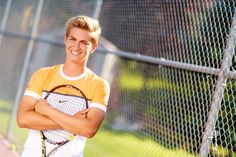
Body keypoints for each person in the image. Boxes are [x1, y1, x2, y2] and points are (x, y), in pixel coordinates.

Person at [17, 15, 110, 157]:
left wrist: (48, 110)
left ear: (93, 47)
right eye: (73, 39)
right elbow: (23, 119)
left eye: (84, 42)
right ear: (65, 40)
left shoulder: (99, 85)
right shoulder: (43, 75)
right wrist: (72, 121)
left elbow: (89, 130)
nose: (77, 46)